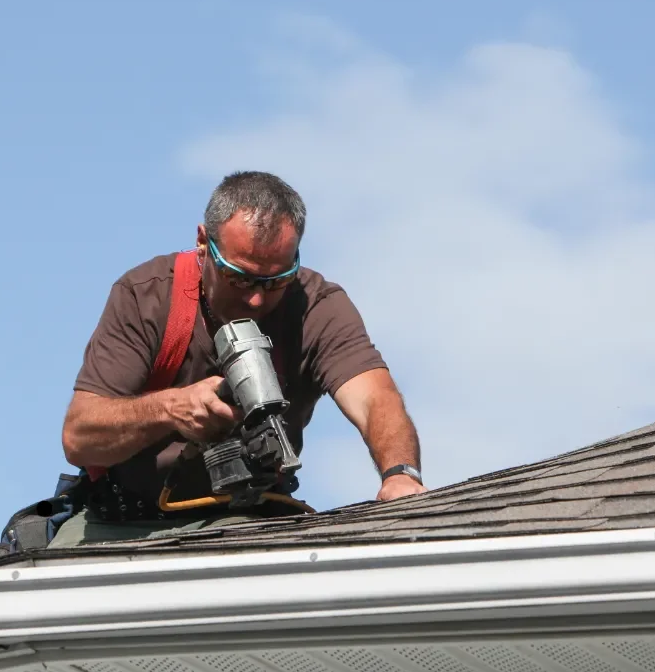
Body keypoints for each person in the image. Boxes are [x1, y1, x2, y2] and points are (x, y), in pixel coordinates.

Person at [53, 171, 425, 546]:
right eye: (240, 278)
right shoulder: (146, 296)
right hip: (121, 521)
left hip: (247, 519)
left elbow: (375, 398)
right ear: (203, 243)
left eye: (277, 280)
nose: (257, 299)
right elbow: (79, 438)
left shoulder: (316, 307)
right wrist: (169, 409)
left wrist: (400, 474)